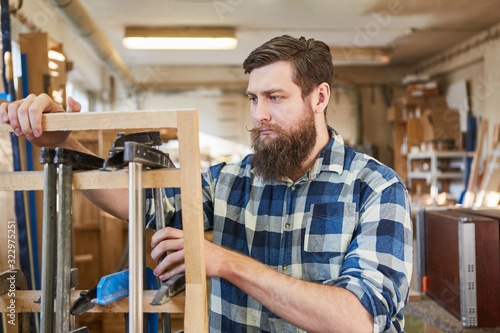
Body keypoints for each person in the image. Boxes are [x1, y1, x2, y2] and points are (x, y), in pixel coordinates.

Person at [1, 35, 413, 332]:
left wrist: (224, 262)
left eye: (275, 97)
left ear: (319, 97)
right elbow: (137, 201)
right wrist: (67, 144)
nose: (259, 116)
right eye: (253, 99)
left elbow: (358, 320)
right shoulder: (229, 180)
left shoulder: (376, 188)